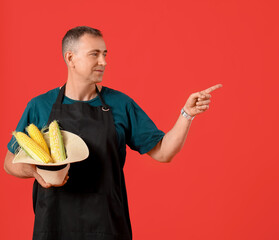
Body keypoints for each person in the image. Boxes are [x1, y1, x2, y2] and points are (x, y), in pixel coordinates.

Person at [3, 26, 222, 240]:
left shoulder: (121, 104)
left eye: (105, 54)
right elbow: (9, 162)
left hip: (107, 225)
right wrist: (38, 172)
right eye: (95, 54)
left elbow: (163, 152)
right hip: (53, 224)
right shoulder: (40, 105)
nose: (104, 62)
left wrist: (186, 114)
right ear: (70, 58)